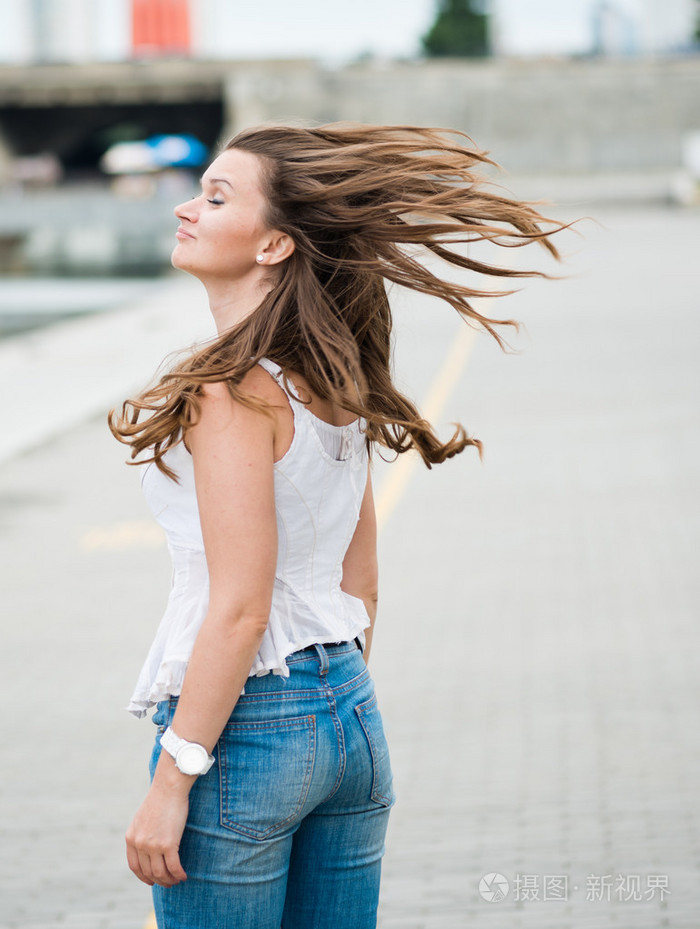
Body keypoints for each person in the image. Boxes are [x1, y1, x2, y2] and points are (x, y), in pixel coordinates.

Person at [109, 123, 564, 929]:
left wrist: (174, 777)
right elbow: (362, 582)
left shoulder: (231, 392)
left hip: (244, 731)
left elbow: (242, 606)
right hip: (350, 712)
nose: (186, 207)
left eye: (215, 197)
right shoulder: (330, 378)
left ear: (276, 245)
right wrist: (330, 703)